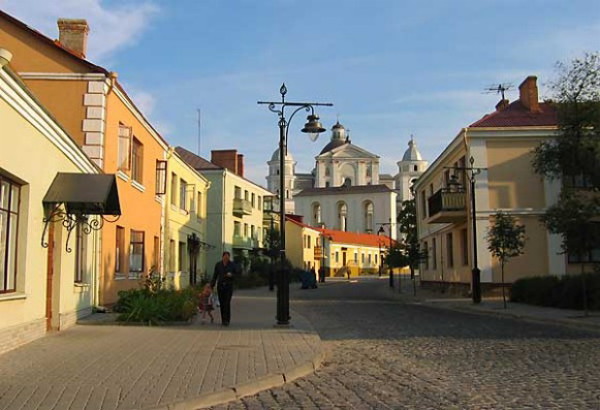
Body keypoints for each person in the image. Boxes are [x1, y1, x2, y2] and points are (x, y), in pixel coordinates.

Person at [210, 251, 238, 326]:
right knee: (222, 303)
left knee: (227, 303)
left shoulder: (232, 265)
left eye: (227, 257)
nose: (226, 258)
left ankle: (227, 320)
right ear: (222, 257)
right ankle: (223, 319)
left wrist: (231, 275)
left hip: (229, 286)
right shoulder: (218, 265)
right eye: (225, 257)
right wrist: (211, 286)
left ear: (229, 257)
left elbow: (237, 274)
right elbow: (215, 276)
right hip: (221, 286)